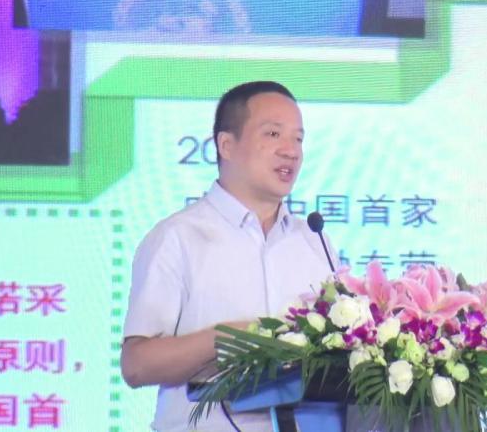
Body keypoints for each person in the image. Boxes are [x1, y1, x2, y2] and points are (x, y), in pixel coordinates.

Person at [121, 81, 339, 432]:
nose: (291, 151)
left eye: (298, 139)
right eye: (273, 134)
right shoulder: (178, 237)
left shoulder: (315, 241)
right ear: (226, 145)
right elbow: (137, 365)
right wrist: (223, 340)